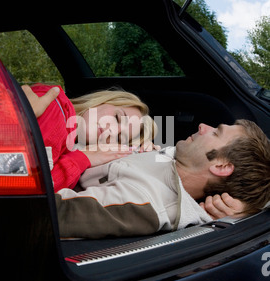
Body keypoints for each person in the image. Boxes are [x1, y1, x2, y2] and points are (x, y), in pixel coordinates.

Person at [54, 119, 270, 238]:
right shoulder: (173, 157)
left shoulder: (146, 201)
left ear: (221, 166)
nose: (203, 126)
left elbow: (52, 214)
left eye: (216, 132)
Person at [22, 83, 157, 193]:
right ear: (102, 101)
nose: (112, 131)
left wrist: (143, 154)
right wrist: (81, 159)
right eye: (117, 117)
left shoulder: (67, 137)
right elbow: (31, 190)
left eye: (120, 138)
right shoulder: (54, 109)